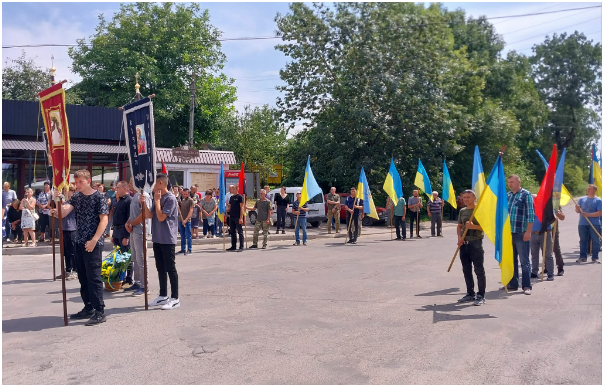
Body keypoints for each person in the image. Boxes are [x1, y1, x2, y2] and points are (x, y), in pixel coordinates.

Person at [50, 169, 109, 326]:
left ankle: (99, 311)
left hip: (93, 243)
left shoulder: (99, 197)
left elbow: (104, 220)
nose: (77, 185)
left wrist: (94, 240)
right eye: (75, 182)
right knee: (82, 276)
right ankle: (88, 307)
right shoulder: (76, 196)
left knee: (94, 277)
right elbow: (64, 212)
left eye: (80, 182)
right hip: (79, 241)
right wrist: (58, 202)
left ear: (88, 181)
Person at [140, 173, 180, 309]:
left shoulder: (170, 198)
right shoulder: (157, 197)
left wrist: (157, 202)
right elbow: (150, 215)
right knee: (160, 268)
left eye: (154, 184)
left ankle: (175, 298)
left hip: (167, 238)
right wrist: (144, 203)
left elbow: (162, 217)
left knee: (170, 268)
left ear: (160, 183)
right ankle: (163, 295)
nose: (152, 187)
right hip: (157, 237)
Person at [505, 175, 535, 295]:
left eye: (512, 182)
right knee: (511, 260)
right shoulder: (508, 195)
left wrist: (528, 232)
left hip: (521, 232)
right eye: (509, 182)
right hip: (508, 233)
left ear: (519, 181)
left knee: (524, 261)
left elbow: (530, 215)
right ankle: (513, 283)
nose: (510, 184)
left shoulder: (526, 195)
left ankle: (527, 286)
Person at [456, 190, 486, 306]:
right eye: (464, 198)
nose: (466, 199)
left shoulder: (479, 210)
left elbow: (485, 227)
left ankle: (481, 295)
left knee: (479, 270)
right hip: (464, 244)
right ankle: (470, 293)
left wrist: (474, 226)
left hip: (476, 243)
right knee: (466, 270)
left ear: (474, 198)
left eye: (468, 197)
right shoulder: (462, 211)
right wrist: (459, 237)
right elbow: (459, 227)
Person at [125, 178, 152, 297]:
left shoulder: (144, 195)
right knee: (135, 258)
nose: (129, 184)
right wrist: (128, 222)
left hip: (140, 231)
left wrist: (131, 224)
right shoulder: (135, 196)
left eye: (131, 182)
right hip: (133, 230)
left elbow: (144, 214)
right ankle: (137, 282)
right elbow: (134, 213)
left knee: (141, 260)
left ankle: (144, 286)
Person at [111, 181, 133, 286]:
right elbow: (116, 218)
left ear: (125, 188)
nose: (116, 189)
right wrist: (113, 234)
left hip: (123, 232)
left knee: (126, 256)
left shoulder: (129, 201)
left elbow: (129, 219)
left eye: (118, 188)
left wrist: (126, 236)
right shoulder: (119, 200)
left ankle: (128, 278)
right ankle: (121, 277)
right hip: (116, 231)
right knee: (118, 257)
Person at [529, 194, 554, 281]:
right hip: (533, 234)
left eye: (534, 199)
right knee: (534, 254)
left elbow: (552, 218)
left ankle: (550, 273)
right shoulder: (530, 209)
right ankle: (534, 272)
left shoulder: (547, 208)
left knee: (547, 254)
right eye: (531, 200)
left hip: (545, 233)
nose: (533, 201)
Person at [575, 184, 602, 263]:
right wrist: (577, 208)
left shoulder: (598, 200)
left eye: (590, 189)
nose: (588, 190)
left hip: (595, 223)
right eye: (587, 188)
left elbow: (600, 213)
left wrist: (588, 215)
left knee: (596, 240)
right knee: (583, 240)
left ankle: (595, 257)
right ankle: (583, 257)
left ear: (594, 190)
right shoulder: (582, 199)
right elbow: (577, 211)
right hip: (583, 223)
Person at [57, 185, 77, 280]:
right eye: (64, 191)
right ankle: (68, 270)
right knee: (65, 251)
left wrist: (60, 202)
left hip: (71, 228)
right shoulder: (65, 202)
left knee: (72, 251)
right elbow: (59, 213)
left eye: (67, 190)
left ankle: (75, 270)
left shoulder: (73, 201)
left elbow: (64, 211)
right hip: (64, 227)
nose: (65, 192)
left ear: (72, 191)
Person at [226, 185, 244, 251]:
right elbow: (230, 207)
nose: (232, 190)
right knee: (232, 232)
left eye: (233, 189)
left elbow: (242, 207)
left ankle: (241, 247)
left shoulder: (240, 197)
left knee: (240, 232)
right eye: (231, 189)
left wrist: (241, 218)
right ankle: (233, 246)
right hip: (232, 217)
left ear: (237, 189)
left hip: (238, 216)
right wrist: (224, 210)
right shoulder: (231, 198)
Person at [177, 188, 194, 255]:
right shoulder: (183, 200)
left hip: (187, 221)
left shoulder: (191, 200)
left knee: (188, 235)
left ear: (189, 194)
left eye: (186, 194)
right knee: (182, 235)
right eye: (184, 194)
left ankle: (189, 249)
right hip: (181, 219)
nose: (185, 195)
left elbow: (191, 211)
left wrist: (186, 219)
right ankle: (183, 249)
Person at [552, 209, 565, 276]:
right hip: (543, 230)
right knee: (545, 249)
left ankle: (560, 268)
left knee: (556, 249)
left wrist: (559, 214)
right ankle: (547, 267)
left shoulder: (555, 204)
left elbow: (562, 218)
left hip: (554, 231)